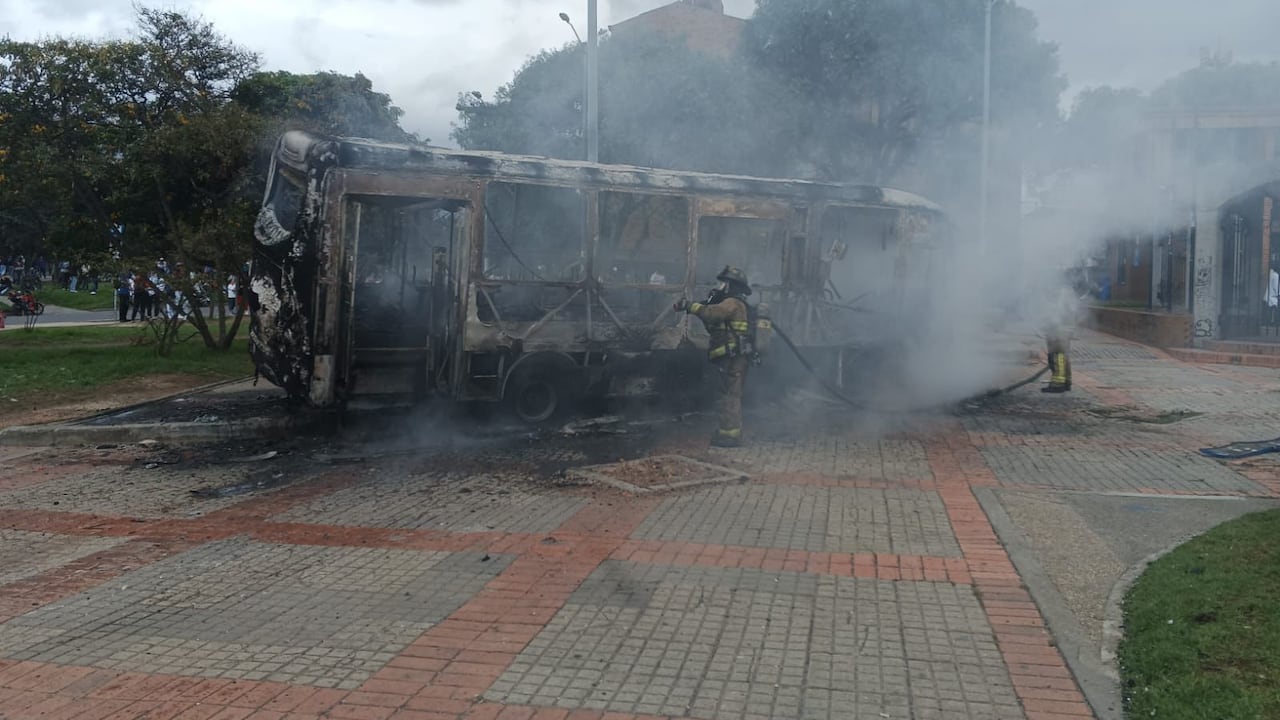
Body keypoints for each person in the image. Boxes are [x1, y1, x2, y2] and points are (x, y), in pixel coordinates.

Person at [675, 266, 754, 447]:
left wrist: (690, 306)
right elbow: (714, 322)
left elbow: (711, 314)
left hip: (733, 358)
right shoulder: (734, 304)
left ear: (731, 285)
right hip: (733, 357)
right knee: (728, 394)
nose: (720, 286)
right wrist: (705, 304)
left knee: (729, 396)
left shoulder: (732, 303)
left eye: (723, 283)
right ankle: (727, 431)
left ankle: (730, 436)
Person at [1042, 271, 1084, 393]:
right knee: (1063, 354)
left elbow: (1056, 310)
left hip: (1059, 327)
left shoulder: (1060, 292)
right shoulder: (1068, 291)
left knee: (1057, 354)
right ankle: (1066, 381)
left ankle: (1057, 384)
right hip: (1065, 327)